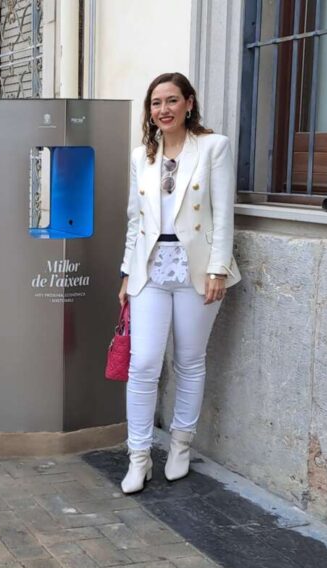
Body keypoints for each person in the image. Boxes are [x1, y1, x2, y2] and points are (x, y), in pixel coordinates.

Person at [118, 72, 241, 494]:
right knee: (143, 363)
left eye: (172, 100)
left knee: (189, 360)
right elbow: (135, 220)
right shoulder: (141, 156)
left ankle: (180, 446)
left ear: (189, 103)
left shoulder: (213, 147)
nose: (163, 109)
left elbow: (223, 214)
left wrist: (218, 268)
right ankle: (138, 457)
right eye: (156, 103)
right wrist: (126, 271)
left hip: (197, 268)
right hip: (150, 269)